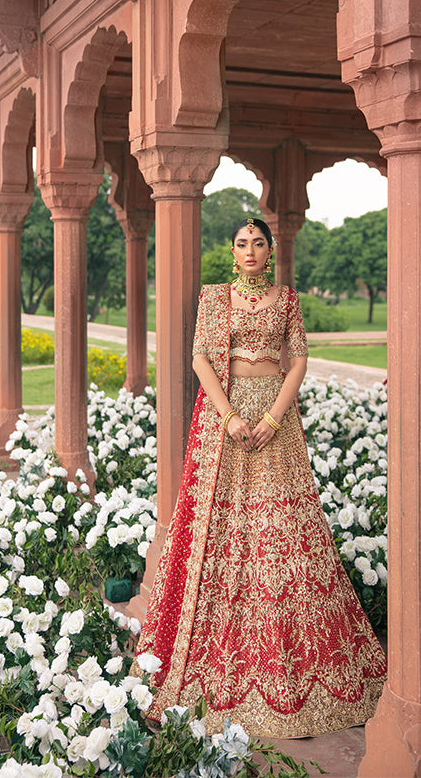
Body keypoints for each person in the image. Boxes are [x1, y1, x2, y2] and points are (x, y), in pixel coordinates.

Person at [134, 217, 387, 737]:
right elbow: (201, 356)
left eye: (258, 243)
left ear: (270, 251)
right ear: (233, 251)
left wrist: (272, 417)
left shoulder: (287, 299)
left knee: (282, 534)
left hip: (277, 420)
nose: (250, 250)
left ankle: (295, 666)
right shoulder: (214, 297)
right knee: (225, 534)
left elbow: (299, 360)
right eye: (241, 243)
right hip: (225, 421)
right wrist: (228, 416)